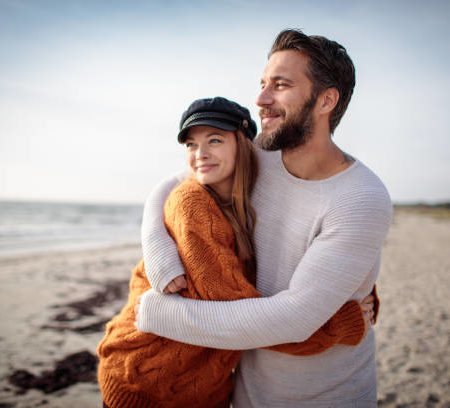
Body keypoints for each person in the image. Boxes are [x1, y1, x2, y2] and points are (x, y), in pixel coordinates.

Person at [136, 30, 392, 407]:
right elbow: (167, 186)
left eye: (280, 85)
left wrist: (158, 312)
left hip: (326, 396)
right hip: (246, 390)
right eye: (262, 84)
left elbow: (293, 319)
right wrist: (159, 251)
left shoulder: (360, 198)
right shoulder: (261, 155)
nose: (260, 99)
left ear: (326, 100)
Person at [97, 97, 376, 408]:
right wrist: (339, 323)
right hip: (149, 383)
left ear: (245, 144)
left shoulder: (245, 201)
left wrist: (344, 287)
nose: (200, 154)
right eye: (191, 144)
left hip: (206, 387)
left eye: (214, 140)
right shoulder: (192, 205)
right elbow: (243, 322)